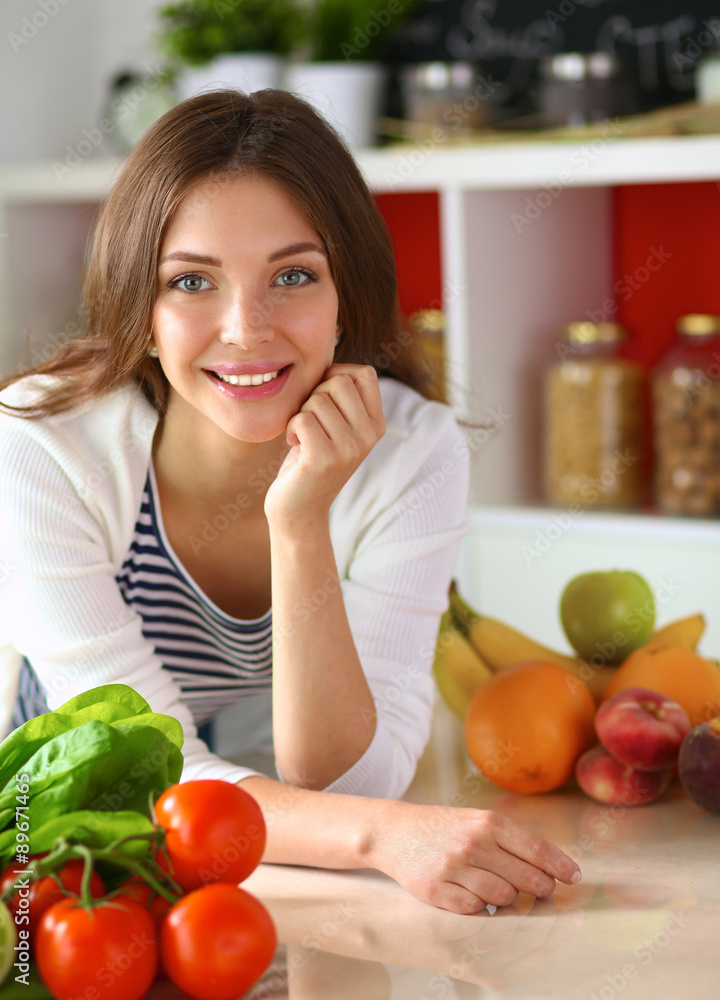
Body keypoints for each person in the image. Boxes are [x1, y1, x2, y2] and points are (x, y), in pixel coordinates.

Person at [0, 89, 581, 914]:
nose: (244, 328)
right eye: (192, 280)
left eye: (294, 275)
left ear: (347, 293)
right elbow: (144, 768)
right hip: (54, 840)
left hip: (256, 844)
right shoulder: (38, 449)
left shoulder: (413, 453)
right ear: (142, 303)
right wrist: (381, 836)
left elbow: (354, 778)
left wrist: (299, 519)